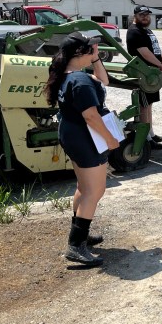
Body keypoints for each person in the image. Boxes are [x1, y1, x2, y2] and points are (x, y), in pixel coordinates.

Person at [46, 32, 120, 266]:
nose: (94, 50)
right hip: (86, 137)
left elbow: (104, 80)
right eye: (91, 48)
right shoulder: (81, 81)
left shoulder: (69, 74)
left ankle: (80, 233)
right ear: (79, 53)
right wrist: (109, 139)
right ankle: (76, 245)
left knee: (83, 186)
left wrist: (96, 59)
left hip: (71, 134)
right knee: (94, 191)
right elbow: (91, 116)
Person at [125, 5, 162, 150]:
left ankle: (151, 133)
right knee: (144, 106)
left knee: (149, 104)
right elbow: (144, 53)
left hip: (151, 74)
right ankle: (147, 139)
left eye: (147, 15)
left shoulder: (146, 30)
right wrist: (160, 65)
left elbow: (155, 49)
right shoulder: (134, 31)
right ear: (135, 15)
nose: (145, 17)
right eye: (142, 14)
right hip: (143, 74)